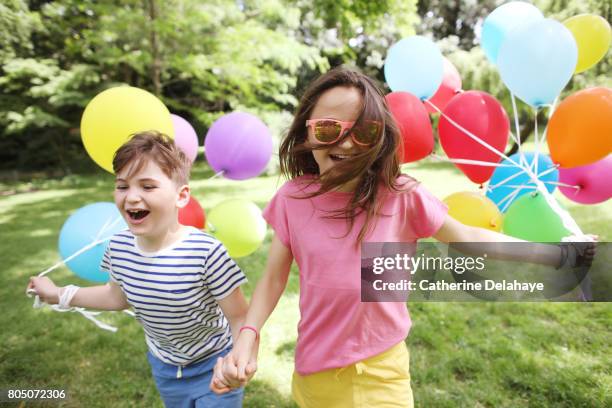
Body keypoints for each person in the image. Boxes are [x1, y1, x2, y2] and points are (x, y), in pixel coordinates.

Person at [209, 67, 596, 407]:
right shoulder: (293, 199)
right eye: (328, 129)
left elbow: (471, 237)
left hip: (379, 374)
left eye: (361, 132)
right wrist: (249, 334)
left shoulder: (402, 196)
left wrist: (559, 254)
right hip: (312, 373)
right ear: (307, 135)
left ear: (379, 137)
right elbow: (275, 274)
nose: (344, 143)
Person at [27, 131, 255, 408]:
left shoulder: (206, 253)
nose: (132, 197)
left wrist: (237, 361)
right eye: (122, 187)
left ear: (181, 196)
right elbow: (116, 296)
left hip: (215, 363)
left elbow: (239, 316)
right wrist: (59, 294)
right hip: (165, 367)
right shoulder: (119, 247)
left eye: (147, 187)